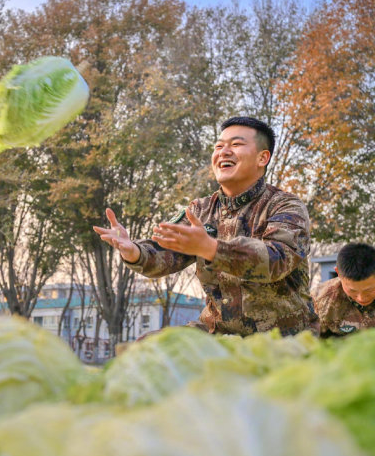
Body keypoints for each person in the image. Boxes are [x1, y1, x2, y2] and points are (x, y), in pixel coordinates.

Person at [93, 116, 318, 336]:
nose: (224, 152)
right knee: (145, 350)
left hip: (284, 337)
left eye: (236, 144)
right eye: (219, 146)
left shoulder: (285, 206)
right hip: (216, 331)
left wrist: (211, 249)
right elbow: (164, 253)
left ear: (262, 158)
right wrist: (133, 251)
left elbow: (276, 260)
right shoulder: (200, 210)